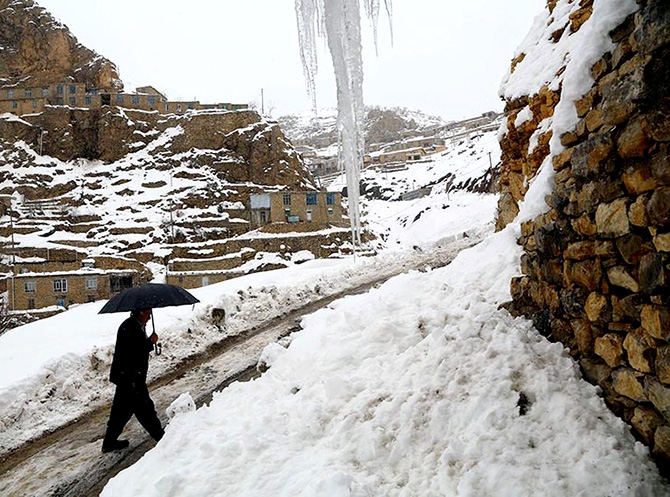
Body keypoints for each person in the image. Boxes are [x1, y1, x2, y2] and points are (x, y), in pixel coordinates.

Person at [102, 308, 164, 453]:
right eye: (148, 313)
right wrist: (150, 343)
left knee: (120, 412)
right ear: (141, 312)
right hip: (131, 378)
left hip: (128, 377)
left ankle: (109, 443)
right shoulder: (130, 327)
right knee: (145, 410)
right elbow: (133, 352)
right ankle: (162, 439)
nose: (149, 317)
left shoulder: (135, 326)